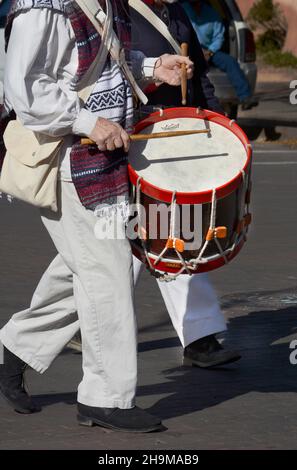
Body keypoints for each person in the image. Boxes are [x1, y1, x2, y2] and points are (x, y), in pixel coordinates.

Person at [0, 0, 193, 433]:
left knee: (97, 265)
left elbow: (102, 63)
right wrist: (88, 121)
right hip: (71, 163)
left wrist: (151, 68)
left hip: (105, 162)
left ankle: (14, 349)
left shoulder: (105, 1)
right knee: (105, 271)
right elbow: (25, 84)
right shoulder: (43, 6)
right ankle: (104, 398)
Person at [68, 0, 241, 369]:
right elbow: (104, 76)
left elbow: (201, 80)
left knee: (167, 238)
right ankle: (69, 325)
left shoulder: (177, 13)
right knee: (120, 246)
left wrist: (219, 124)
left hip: (173, 142)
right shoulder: (118, 11)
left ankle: (200, 337)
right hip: (130, 142)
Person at [182, 0, 257, 110]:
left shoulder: (212, 13)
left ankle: (245, 97)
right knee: (192, 69)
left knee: (230, 62)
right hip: (188, 51)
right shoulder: (181, 9)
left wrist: (210, 52)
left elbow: (219, 36)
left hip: (209, 51)